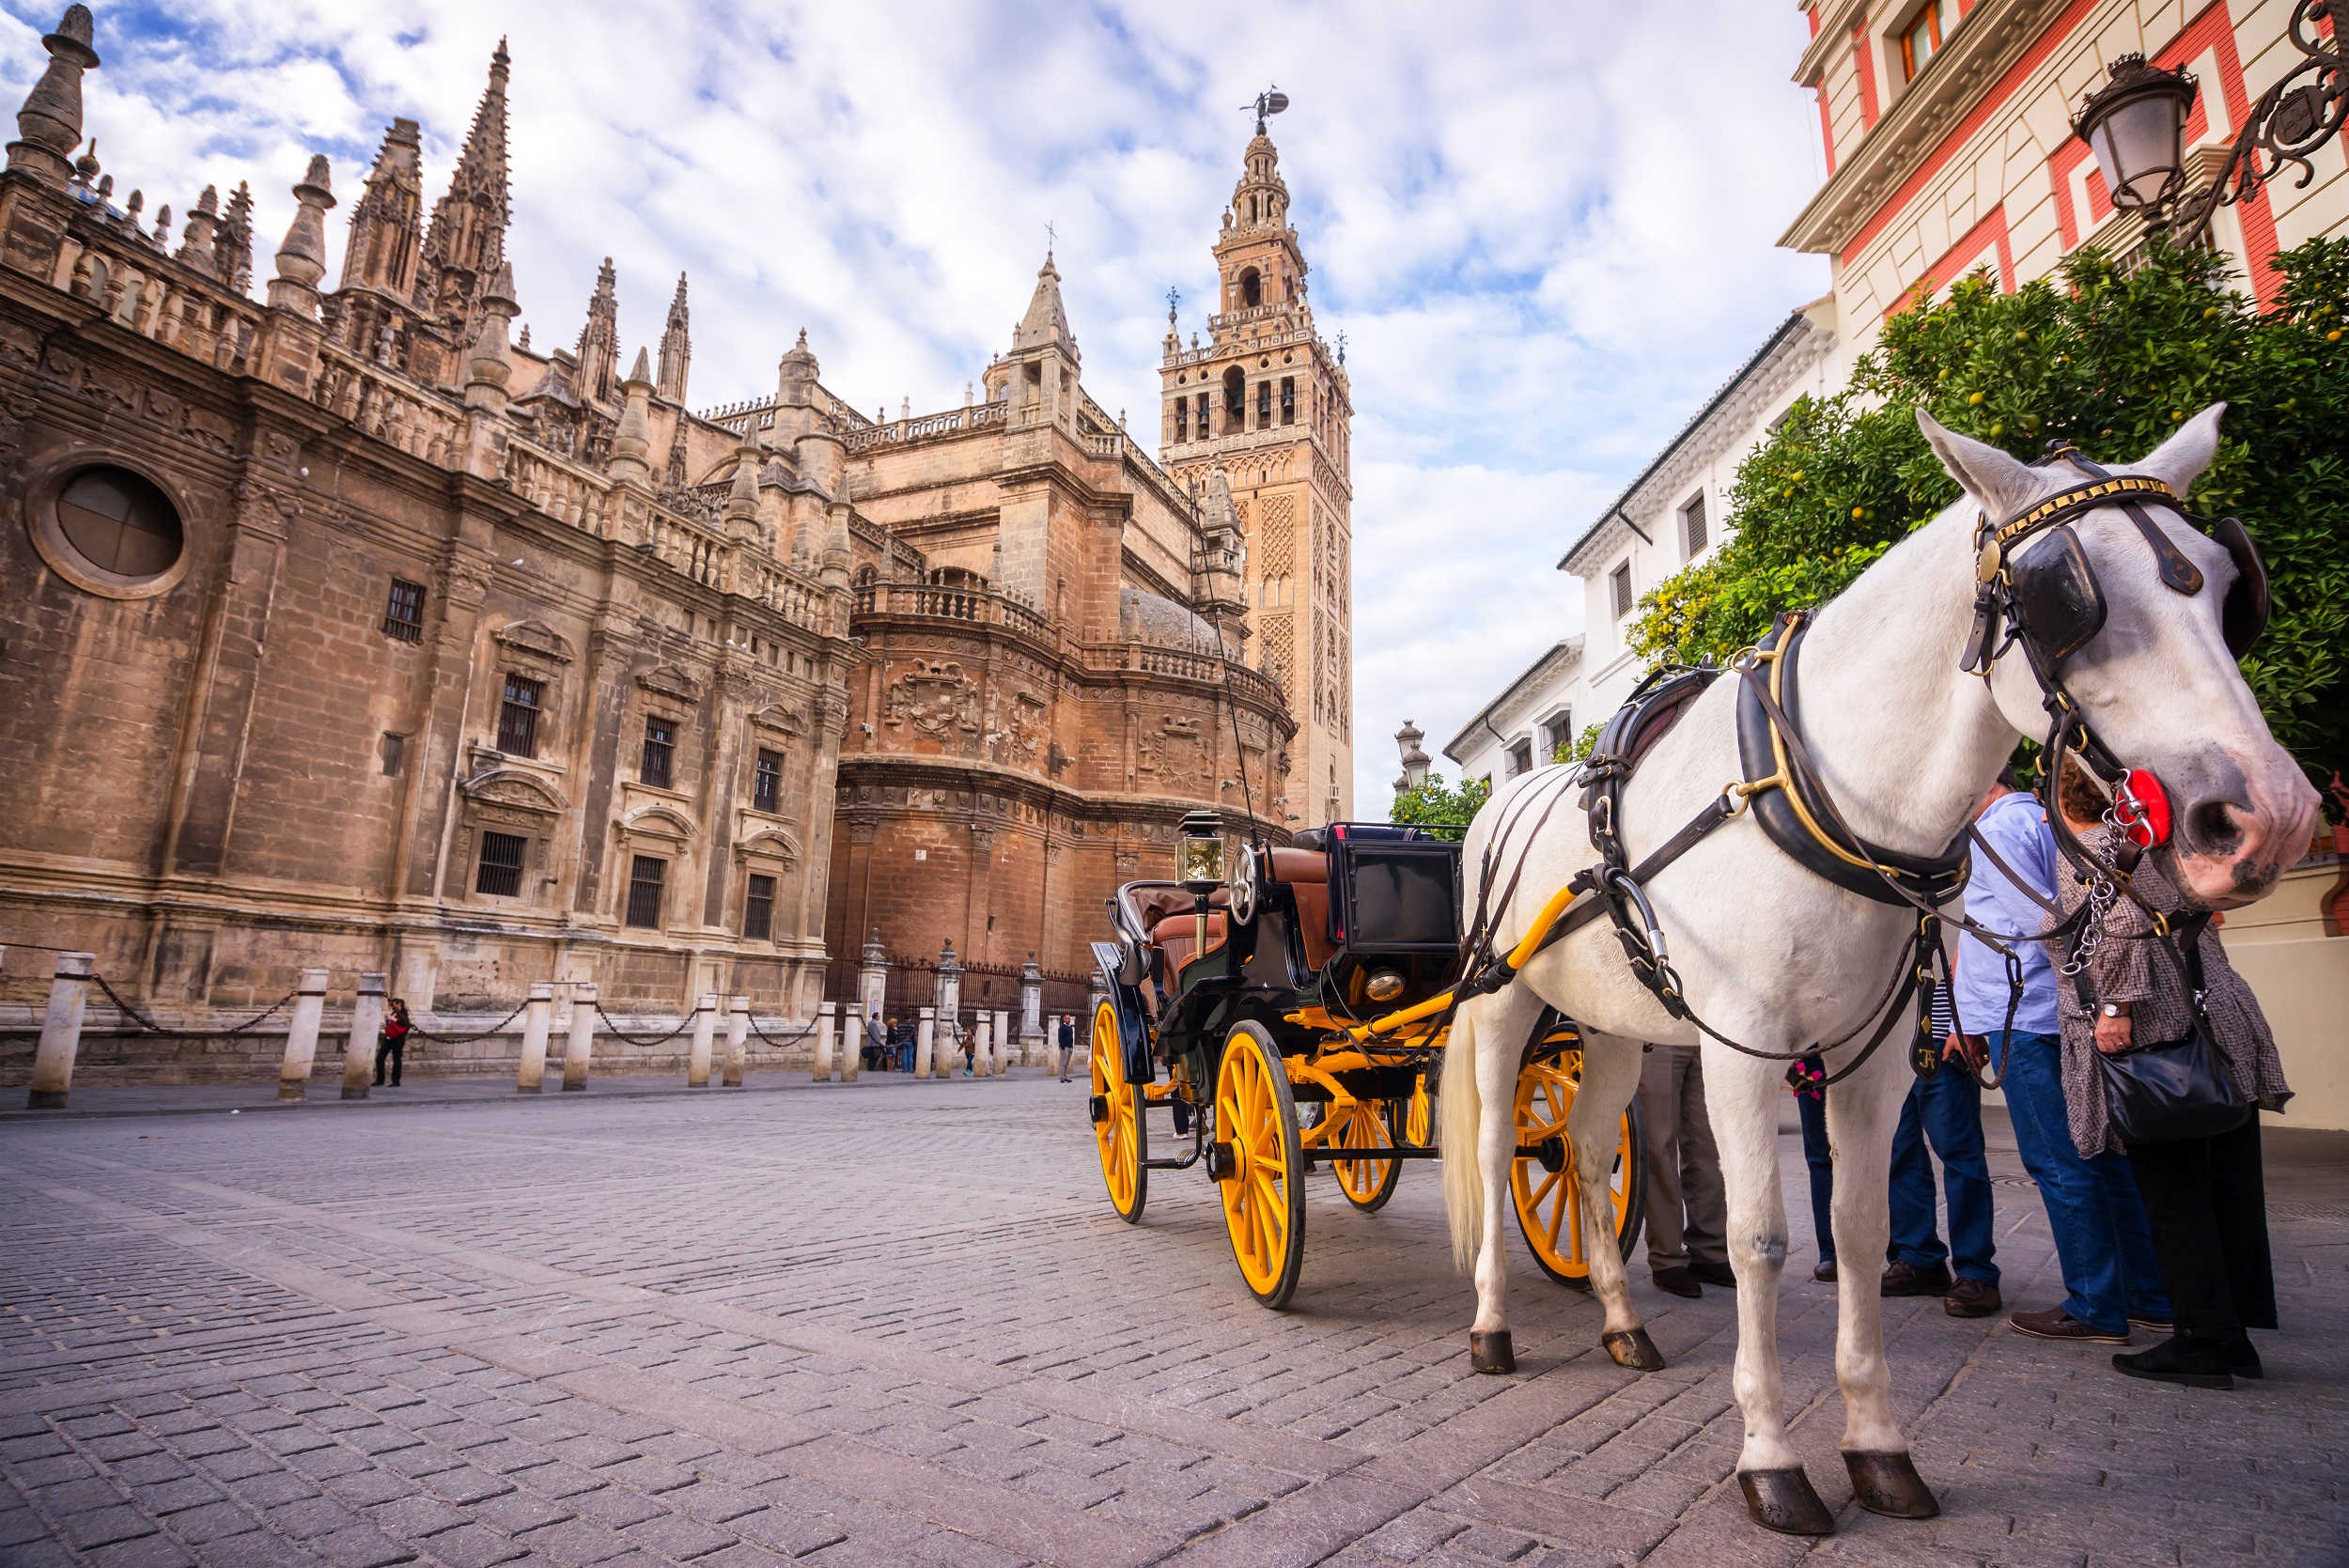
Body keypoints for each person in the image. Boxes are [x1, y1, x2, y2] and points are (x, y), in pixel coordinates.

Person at [2047, 758, 2292, 1389]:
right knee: (2223, 1186)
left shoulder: (2091, 846)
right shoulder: (2155, 840)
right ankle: (2233, 1332)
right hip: (2216, 1022)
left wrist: (2113, 1007)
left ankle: (2202, 1341)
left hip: (2158, 1039)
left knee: (2174, 1193)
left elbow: (2121, 926)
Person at [1952, 766, 2168, 1348]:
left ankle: (2096, 1304)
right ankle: (2146, 1295)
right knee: (2099, 1154)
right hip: (2038, 1010)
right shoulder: (2030, 820)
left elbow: (2044, 924)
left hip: (2026, 1013)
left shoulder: (2000, 829)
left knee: (2060, 1160)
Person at [1882, 970, 2003, 1319]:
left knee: (1960, 1154)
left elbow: (1969, 957)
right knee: (1898, 1152)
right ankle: (1918, 1259)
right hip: (1889, 1042)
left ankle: (1976, 1271)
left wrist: (1961, 1025)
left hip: (1940, 1038)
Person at [1637, 1043, 1733, 1297]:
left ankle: (1709, 1250)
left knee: (1709, 1144)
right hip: (1657, 1023)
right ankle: (1666, 1257)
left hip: (1705, 1027)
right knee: (1659, 1143)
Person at [1787, 1054, 1836, 1282]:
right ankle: (1831, 1251)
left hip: (1859, 1040)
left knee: (1872, 1148)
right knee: (1819, 1155)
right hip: (1811, 1050)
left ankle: (1896, 1248)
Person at [374, 998, 412, 1087]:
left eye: (393, 1004)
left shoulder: (403, 1012)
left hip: (398, 1039)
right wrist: (388, 1019)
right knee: (380, 1058)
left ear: (398, 1004)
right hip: (389, 1038)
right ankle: (380, 1080)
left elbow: (404, 1023)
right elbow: (392, 1024)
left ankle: (396, 1081)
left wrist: (392, 1018)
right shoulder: (394, 1013)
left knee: (397, 1059)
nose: (391, 1006)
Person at [1057, 1014, 1078, 1081]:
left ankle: (1064, 1075)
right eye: (1067, 1019)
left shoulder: (1070, 1027)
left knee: (1066, 1063)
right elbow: (1060, 1038)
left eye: (1069, 1019)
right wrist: (1063, 1046)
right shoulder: (1062, 1028)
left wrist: (1071, 1046)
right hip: (1065, 1047)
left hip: (1070, 1047)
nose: (1068, 1020)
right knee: (1062, 1063)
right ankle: (1062, 1078)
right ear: (1064, 1019)